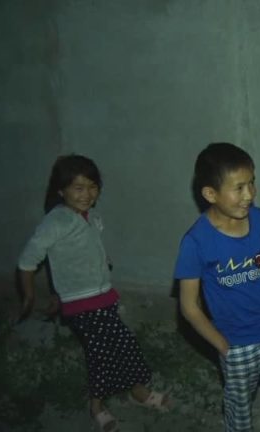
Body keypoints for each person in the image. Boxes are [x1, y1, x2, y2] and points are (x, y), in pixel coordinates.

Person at [17, 155, 169, 432]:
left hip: (103, 296)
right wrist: (29, 295)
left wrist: (101, 260)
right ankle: (97, 406)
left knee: (124, 344)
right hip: (81, 304)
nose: (86, 194)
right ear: (61, 190)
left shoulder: (91, 216)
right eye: (78, 188)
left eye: (92, 187)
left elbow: (83, 249)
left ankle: (137, 391)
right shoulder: (56, 221)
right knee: (102, 354)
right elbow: (28, 261)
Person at [174, 142, 260, 432]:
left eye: (252, 183)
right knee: (240, 413)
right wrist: (222, 345)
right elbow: (189, 306)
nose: (250, 194)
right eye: (239, 188)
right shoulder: (196, 242)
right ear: (211, 194)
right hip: (238, 345)